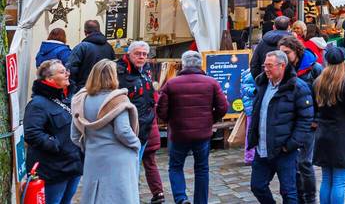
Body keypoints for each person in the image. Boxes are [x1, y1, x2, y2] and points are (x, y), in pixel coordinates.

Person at [156, 50, 229, 204]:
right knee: (202, 168)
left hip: (178, 133)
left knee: (175, 166)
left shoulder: (171, 83)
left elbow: (161, 110)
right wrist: (210, 120)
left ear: (183, 64)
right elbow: (223, 107)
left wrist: (172, 120)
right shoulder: (211, 82)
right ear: (200, 63)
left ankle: (181, 198)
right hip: (202, 134)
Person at [249, 50, 315, 204]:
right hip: (262, 148)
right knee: (257, 186)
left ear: (282, 66)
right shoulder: (262, 83)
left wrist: (290, 145)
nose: (266, 69)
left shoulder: (298, 87)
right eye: (265, 65)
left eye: (270, 66)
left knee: (288, 192)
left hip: (284, 151)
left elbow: (305, 120)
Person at [70, 59, 140, 203]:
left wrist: (89, 146)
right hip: (119, 158)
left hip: (93, 157)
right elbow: (123, 131)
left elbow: (74, 135)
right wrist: (136, 143)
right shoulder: (117, 100)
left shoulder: (81, 100)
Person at [25, 60, 83, 204]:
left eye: (66, 71)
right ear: (49, 79)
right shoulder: (37, 104)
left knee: (66, 200)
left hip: (73, 165)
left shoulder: (68, 99)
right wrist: (56, 145)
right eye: (62, 72)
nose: (67, 74)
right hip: (53, 169)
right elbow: (32, 133)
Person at [114, 41, 165, 203]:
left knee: (135, 165)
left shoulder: (146, 70)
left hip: (144, 127)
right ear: (129, 54)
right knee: (128, 167)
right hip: (127, 127)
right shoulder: (119, 70)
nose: (142, 57)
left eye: (144, 54)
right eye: (138, 53)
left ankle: (131, 197)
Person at [311, 46, 345, 204]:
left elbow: (315, 108)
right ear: (343, 63)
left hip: (323, 133)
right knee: (339, 181)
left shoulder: (318, 82)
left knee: (327, 178)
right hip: (342, 134)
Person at [278, 37, 322, 204]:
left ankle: (310, 199)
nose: (283, 56)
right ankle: (297, 197)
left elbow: (322, 96)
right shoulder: (283, 69)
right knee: (292, 164)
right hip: (289, 122)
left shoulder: (315, 69)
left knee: (304, 162)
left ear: (296, 51)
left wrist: (316, 119)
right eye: (281, 53)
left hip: (308, 122)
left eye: (287, 52)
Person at [65, 19, 115, 96]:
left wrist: (73, 90)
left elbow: (70, 68)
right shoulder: (109, 47)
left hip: (85, 90)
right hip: (106, 91)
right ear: (99, 30)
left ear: (85, 32)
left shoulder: (82, 47)